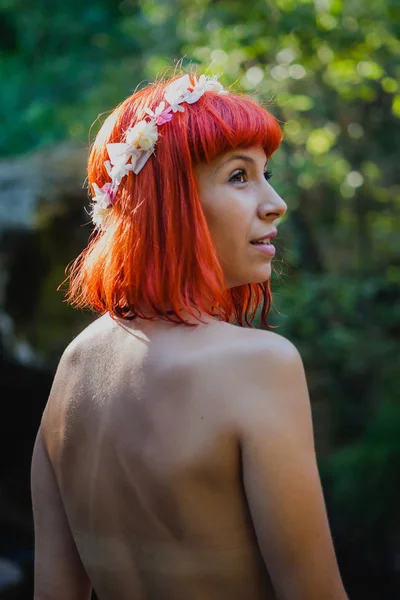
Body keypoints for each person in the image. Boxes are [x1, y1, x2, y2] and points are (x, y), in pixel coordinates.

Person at [31, 69, 349, 600]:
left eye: (265, 174)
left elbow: (53, 591)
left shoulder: (73, 364)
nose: (275, 202)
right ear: (169, 202)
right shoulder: (260, 364)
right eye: (239, 177)